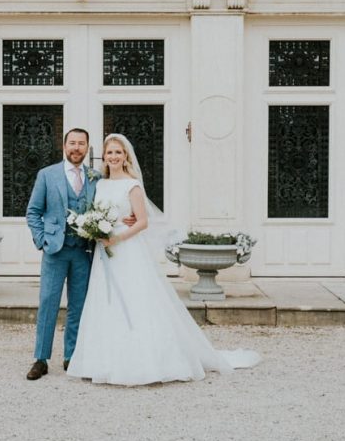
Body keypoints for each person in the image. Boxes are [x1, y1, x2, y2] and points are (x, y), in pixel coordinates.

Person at [66, 133, 261, 386]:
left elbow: (143, 222)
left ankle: (144, 361)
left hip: (126, 250)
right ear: (104, 156)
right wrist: (95, 230)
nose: (113, 157)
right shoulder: (100, 184)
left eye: (118, 152)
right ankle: (105, 361)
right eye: (110, 152)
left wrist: (117, 238)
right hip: (105, 254)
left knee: (135, 300)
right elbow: (95, 213)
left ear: (125, 157)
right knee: (106, 301)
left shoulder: (132, 185)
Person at [24, 127, 135, 380]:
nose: (76, 148)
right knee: (48, 304)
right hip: (55, 251)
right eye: (72, 143)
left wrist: (125, 218)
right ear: (64, 146)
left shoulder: (96, 178)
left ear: (87, 148)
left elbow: (109, 205)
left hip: (84, 251)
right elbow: (33, 212)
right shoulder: (47, 175)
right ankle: (40, 359)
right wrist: (42, 240)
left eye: (81, 144)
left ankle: (71, 357)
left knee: (78, 306)